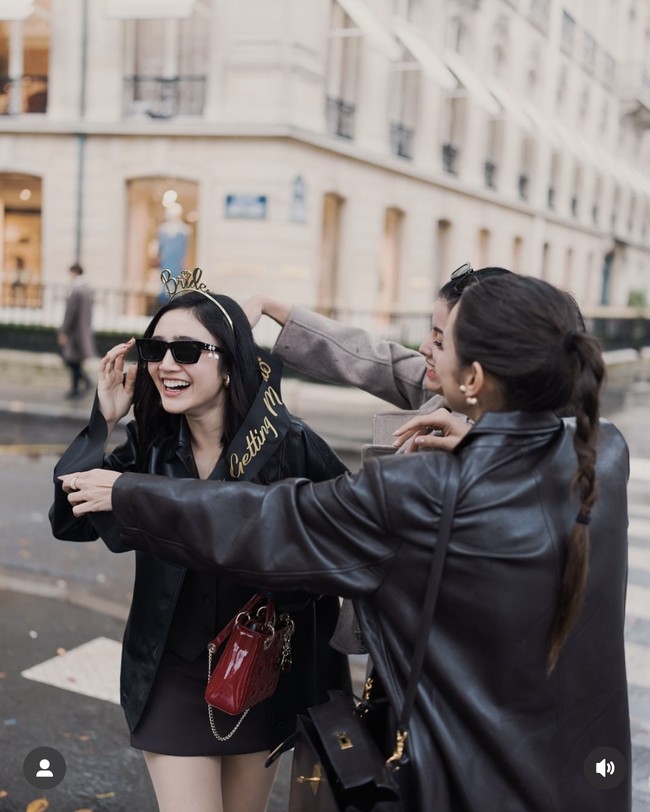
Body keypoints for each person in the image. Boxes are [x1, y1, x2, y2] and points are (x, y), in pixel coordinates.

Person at [61, 273, 631, 812]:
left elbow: (271, 522)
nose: (423, 354)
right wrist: (485, 441)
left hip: (462, 779)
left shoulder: (415, 489)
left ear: (473, 380)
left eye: (439, 341)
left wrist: (131, 493)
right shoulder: (601, 453)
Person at [49, 272, 351, 812]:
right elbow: (68, 519)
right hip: (172, 671)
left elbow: (342, 544)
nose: (167, 365)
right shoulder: (152, 444)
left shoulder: (289, 443)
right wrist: (103, 421)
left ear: (230, 361)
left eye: (187, 350)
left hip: (261, 669)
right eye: (155, 348)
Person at [244, 263, 511, 453]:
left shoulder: (516, 458)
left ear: (478, 367)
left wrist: (483, 456)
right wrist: (268, 306)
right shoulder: (442, 395)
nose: (423, 347)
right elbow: (366, 355)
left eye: (441, 342)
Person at [58, 262, 95, 399]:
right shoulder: (87, 289)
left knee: (71, 361)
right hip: (82, 331)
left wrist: (64, 331)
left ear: (74, 272)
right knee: (75, 361)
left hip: (74, 332)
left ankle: (75, 389)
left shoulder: (76, 290)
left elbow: (70, 314)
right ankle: (85, 381)